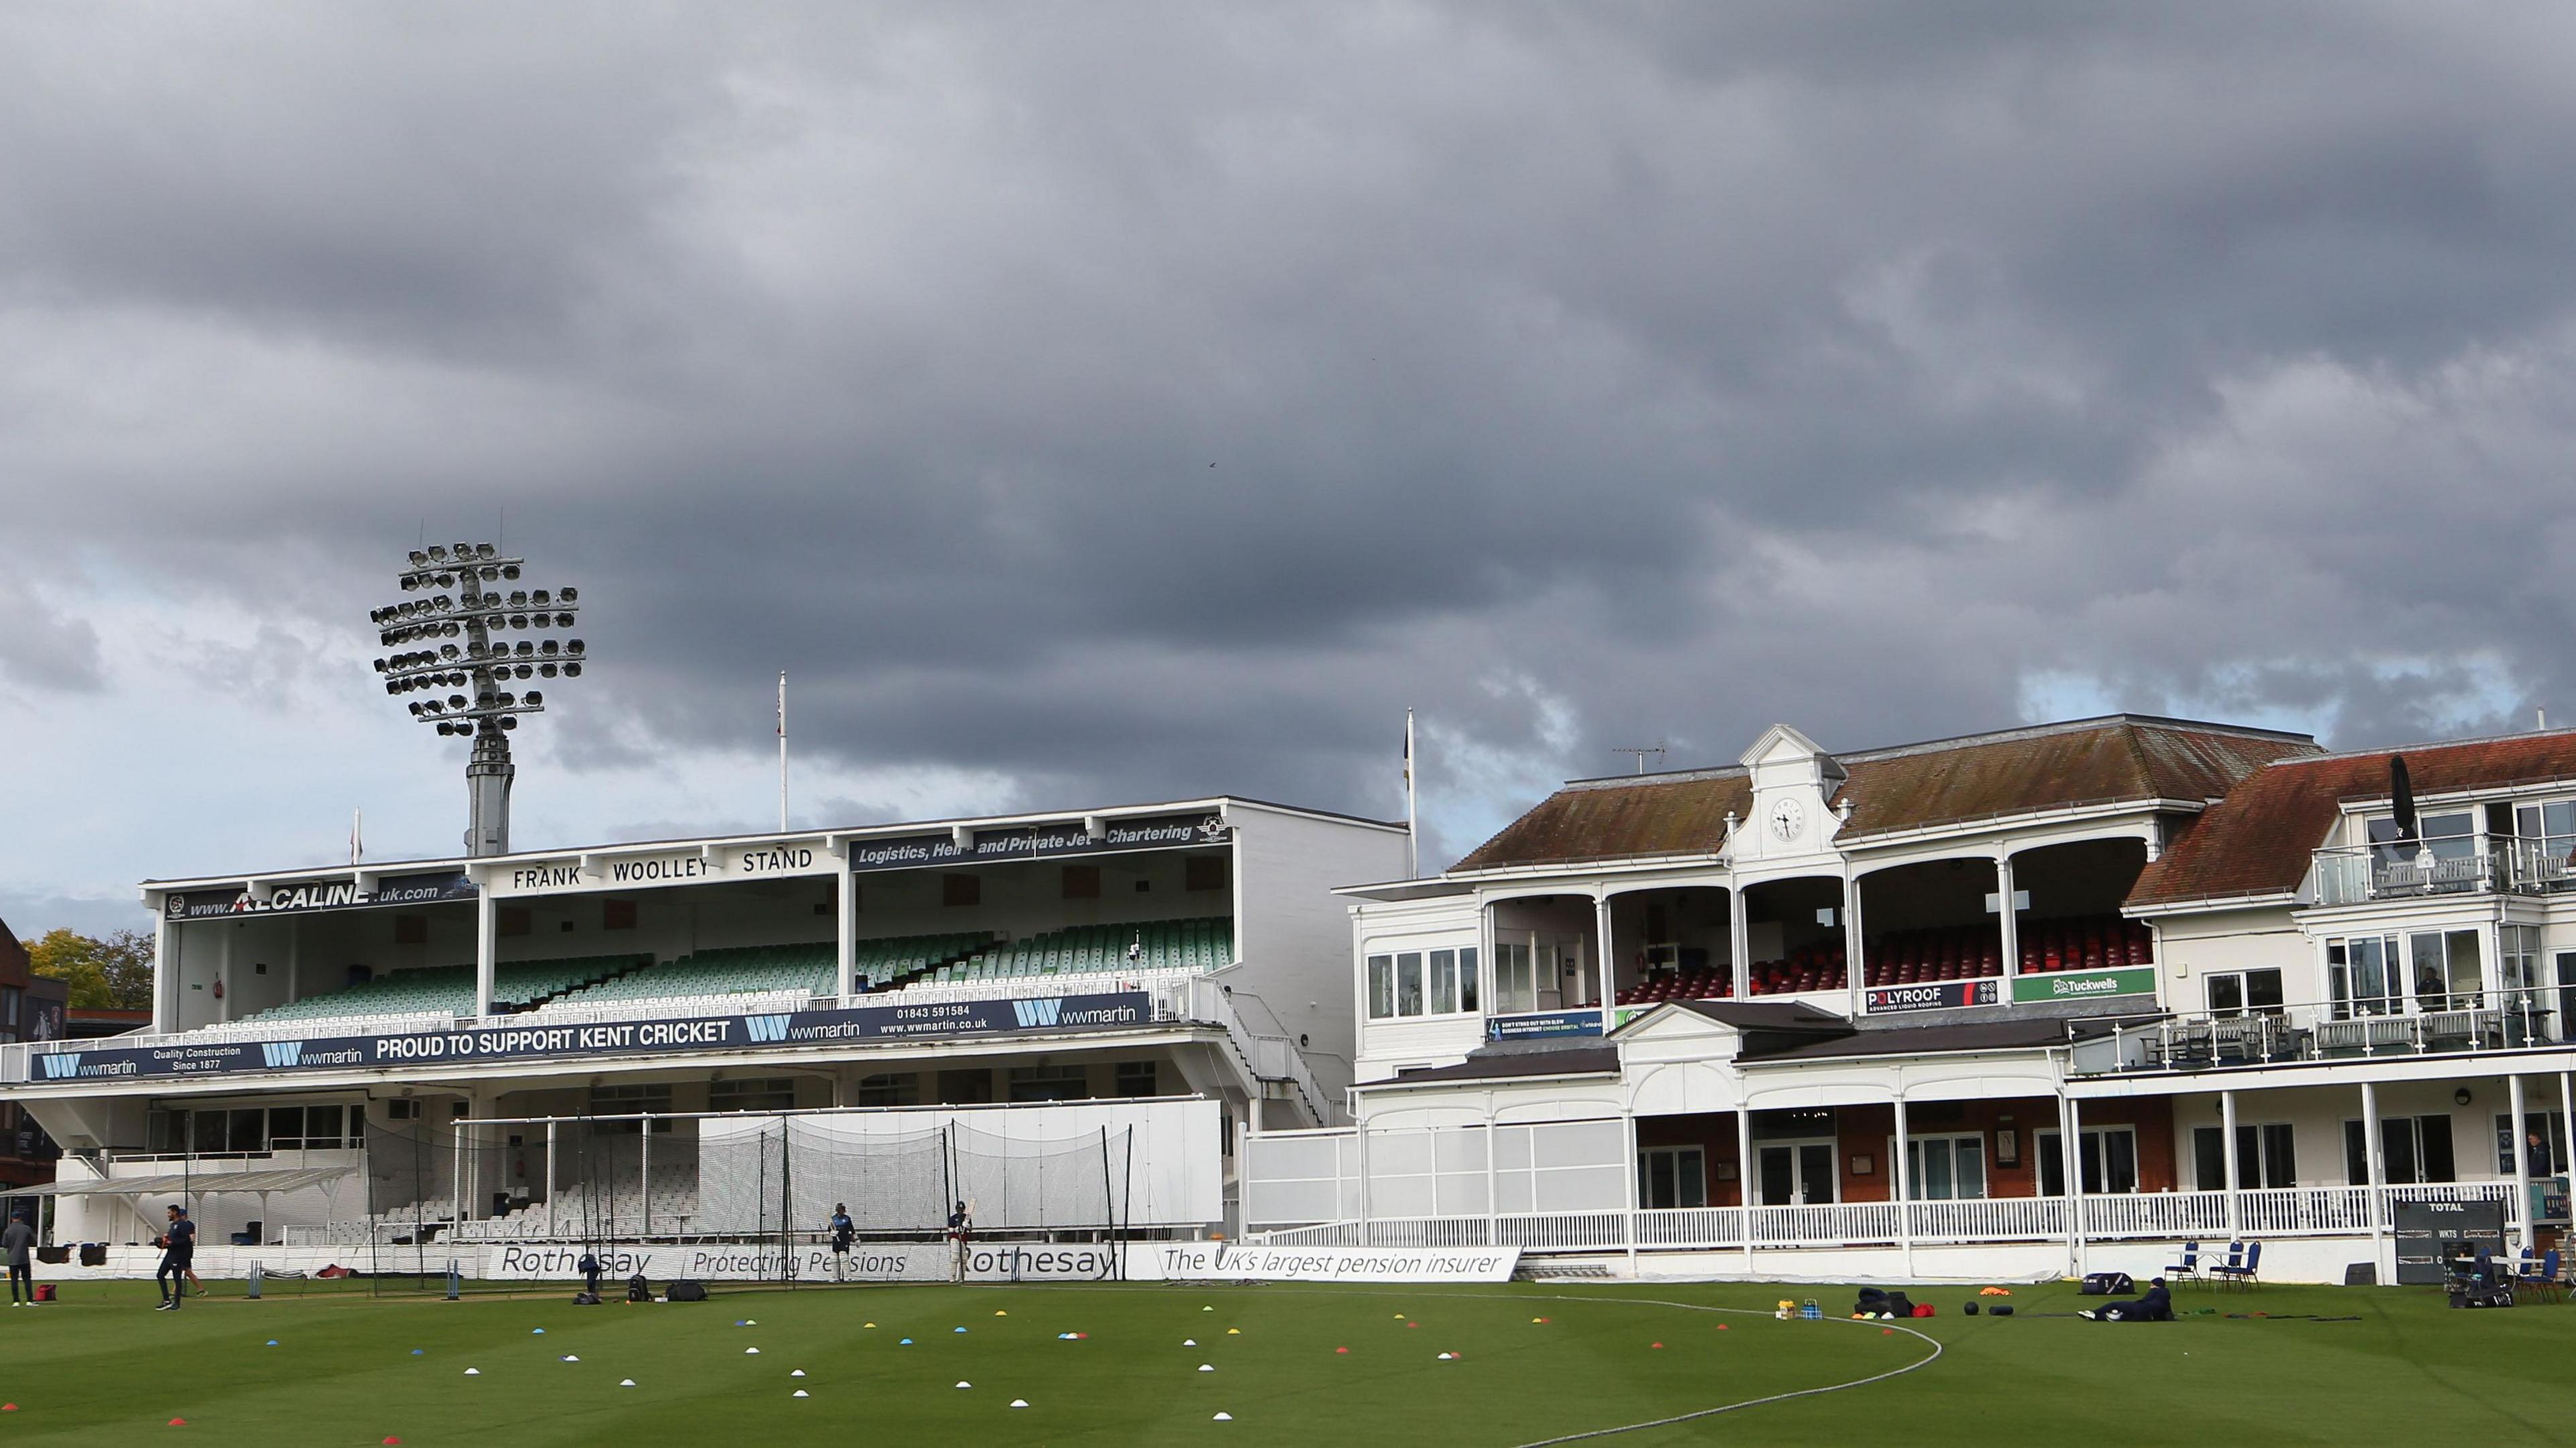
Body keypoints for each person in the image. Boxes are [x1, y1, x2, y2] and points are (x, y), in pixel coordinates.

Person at [154, 1205, 196, 1311]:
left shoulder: (183, 1225)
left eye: (169, 1213)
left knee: (177, 1279)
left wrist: (172, 1242)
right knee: (160, 1275)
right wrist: (165, 1241)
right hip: (170, 1255)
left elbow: (187, 1240)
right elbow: (171, 1240)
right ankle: (167, 1301)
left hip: (178, 1256)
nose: (168, 1215)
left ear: (174, 1213)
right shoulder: (173, 1225)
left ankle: (177, 1304)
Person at [2078, 1276, 2172, 1322]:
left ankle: (2094, 1314)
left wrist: (2135, 1304)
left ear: (2156, 1285)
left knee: (2115, 1305)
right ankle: (2097, 1319)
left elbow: (2145, 1300)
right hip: (2146, 1318)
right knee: (2120, 1317)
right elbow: (2168, 1314)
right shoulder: (2166, 1298)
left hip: (2142, 1308)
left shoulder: (2155, 1291)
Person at [3, 1209, 35, 1307]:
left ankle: (16, 1300)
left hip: (13, 1258)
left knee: (14, 1280)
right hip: (24, 1258)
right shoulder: (26, 1228)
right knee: (27, 1279)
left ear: (12, 1218)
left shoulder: (8, 1230)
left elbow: (4, 1244)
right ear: (21, 1218)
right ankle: (29, 1300)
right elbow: (33, 1240)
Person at [947, 1199, 971, 1283]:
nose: (960, 1211)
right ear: (956, 1209)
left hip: (963, 1239)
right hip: (954, 1237)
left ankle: (961, 1277)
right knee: (955, 1257)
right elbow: (949, 1229)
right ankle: (952, 1277)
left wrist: (967, 1226)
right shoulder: (953, 1218)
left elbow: (970, 1229)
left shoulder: (966, 1218)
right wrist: (955, 1229)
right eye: (959, 1209)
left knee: (964, 1259)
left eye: (962, 1209)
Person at [828, 1203, 855, 1280]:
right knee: (834, 1258)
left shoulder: (847, 1219)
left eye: (841, 1210)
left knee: (844, 1257)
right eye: (838, 1210)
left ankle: (848, 1276)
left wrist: (856, 1239)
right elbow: (830, 1229)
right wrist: (832, 1233)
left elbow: (852, 1230)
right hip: (836, 1242)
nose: (839, 1212)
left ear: (844, 1210)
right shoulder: (833, 1219)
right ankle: (835, 1277)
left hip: (844, 1241)